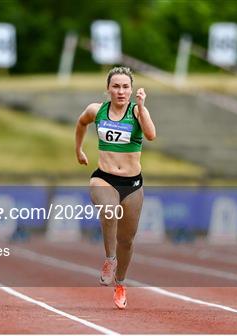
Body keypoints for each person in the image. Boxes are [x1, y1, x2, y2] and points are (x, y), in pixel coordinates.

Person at [75, 66, 156, 309]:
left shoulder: (137, 111)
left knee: (127, 241)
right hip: (104, 178)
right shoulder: (96, 110)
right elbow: (81, 123)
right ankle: (109, 259)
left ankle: (120, 283)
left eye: (125, 87)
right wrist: (78, 149)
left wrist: (141, 107)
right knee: (109, 212)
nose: (121, 91)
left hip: (132, 184)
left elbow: (151, 135)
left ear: (131, 90)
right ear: (108, 89)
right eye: (116, 86)